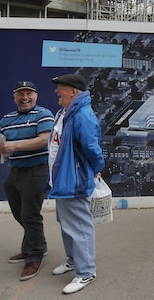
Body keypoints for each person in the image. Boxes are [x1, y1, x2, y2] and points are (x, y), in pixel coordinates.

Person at [0, 81, 54, 281]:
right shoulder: (7, 119)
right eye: (20, 94)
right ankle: (35, 243)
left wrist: (14, 146)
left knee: (30, 214)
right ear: (14, 97)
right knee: (20, 213)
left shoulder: (43, 114)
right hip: (15, 171)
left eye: (28, 93)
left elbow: (44, 139)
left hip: (37, 170)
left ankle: (34, 257)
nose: (25, 97)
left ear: (36, 95)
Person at [47, 73, 105, 295]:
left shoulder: (82, 115)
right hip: (62, 181)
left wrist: (96, 167)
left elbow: (92, 148)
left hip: (74, 180)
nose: (56, 92)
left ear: (73, 91)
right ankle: (73, 260)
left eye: (60, 87)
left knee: (79, 226)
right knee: (66, 223)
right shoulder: (65, 112)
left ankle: (86, 272)